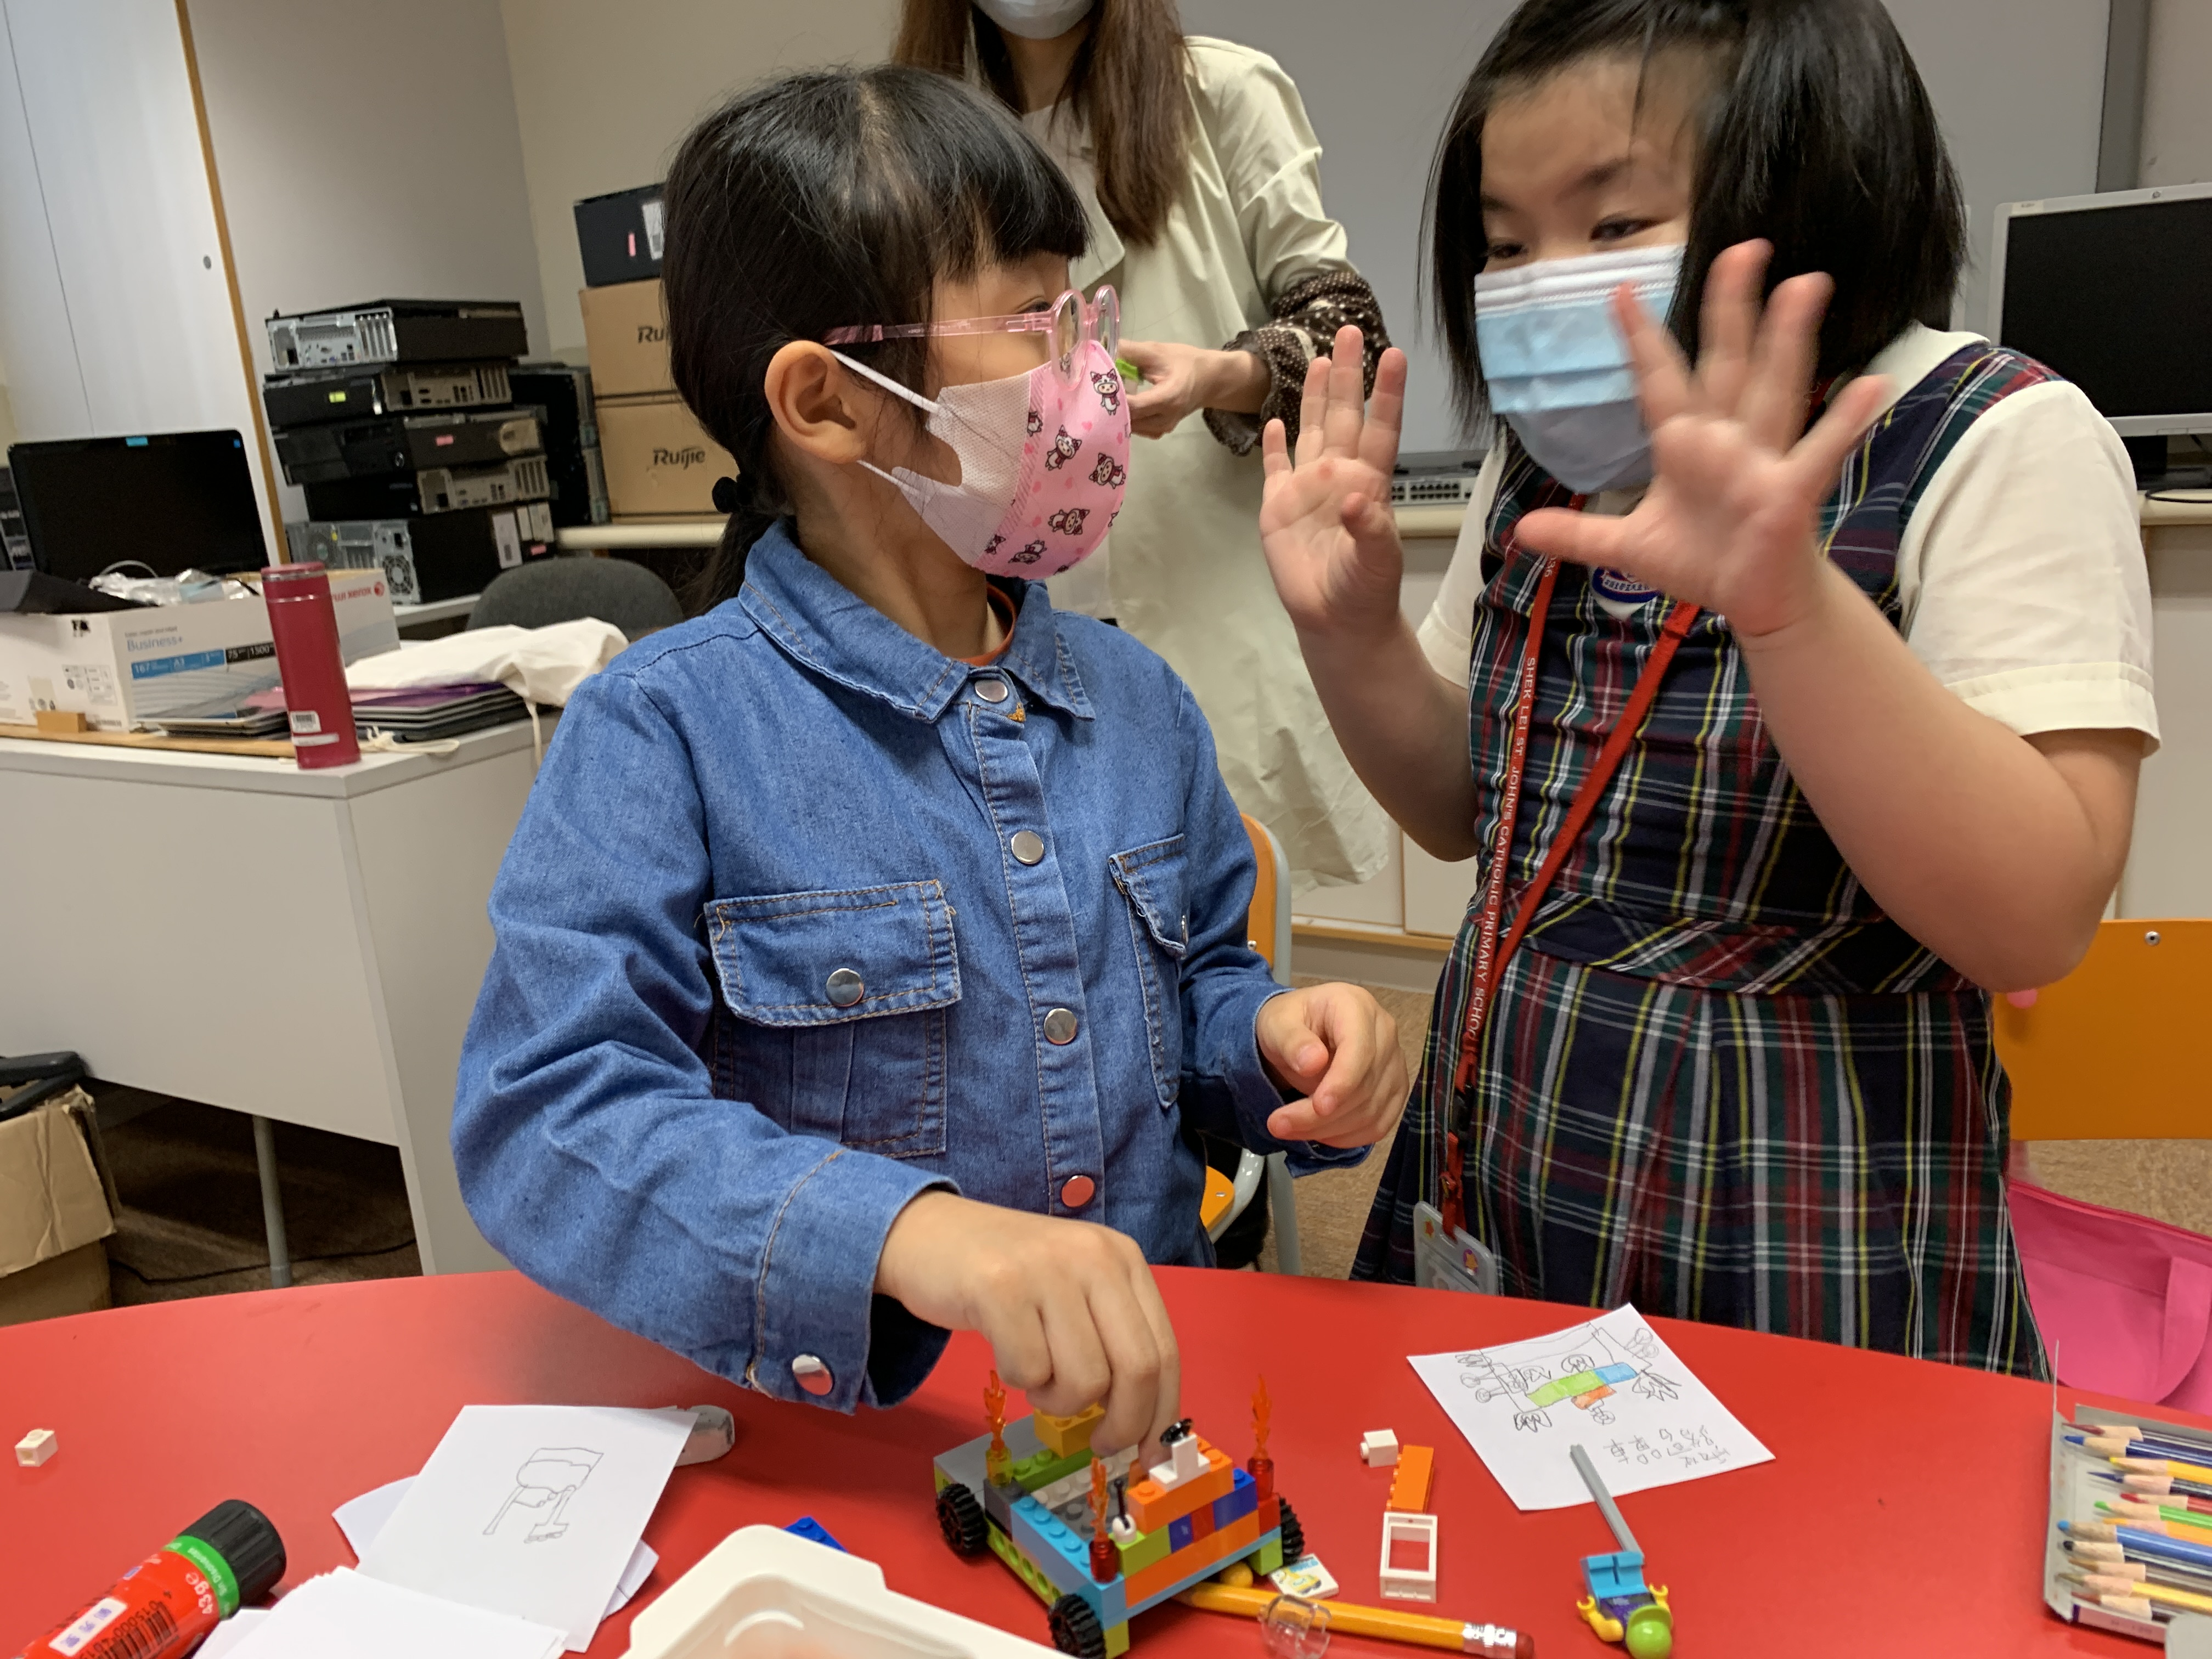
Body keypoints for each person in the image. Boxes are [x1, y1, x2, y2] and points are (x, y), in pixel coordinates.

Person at [450, 65, 1407, 1457]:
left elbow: (1202, 987)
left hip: (1144, 1422)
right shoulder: (663, 731)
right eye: (1034, 327)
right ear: (828, 402)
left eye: (1086, 319)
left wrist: (1274, 1047)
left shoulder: (1138, 702)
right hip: (863, 1443)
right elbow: (547, 1115)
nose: (1093, 380)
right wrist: (907, 1237)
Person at [1257, 0, 2153, 1375]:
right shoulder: (1548, 468)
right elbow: (1457, 808)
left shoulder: (1997, 435)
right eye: (1508, 244)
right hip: (1516, 1151)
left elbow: (2033, 916)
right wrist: (1352, 634)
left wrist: (1792, 608)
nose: (1544, 284)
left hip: (1805, 1216)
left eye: (1614, 223)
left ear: (1810, 184)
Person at [893, 0, 1395, 891]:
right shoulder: (913, 128)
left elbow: (1348, 331)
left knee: (1221, 908)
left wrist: (1219, 376)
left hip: (1197, 590)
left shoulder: (1222, 91)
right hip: (986, 593)